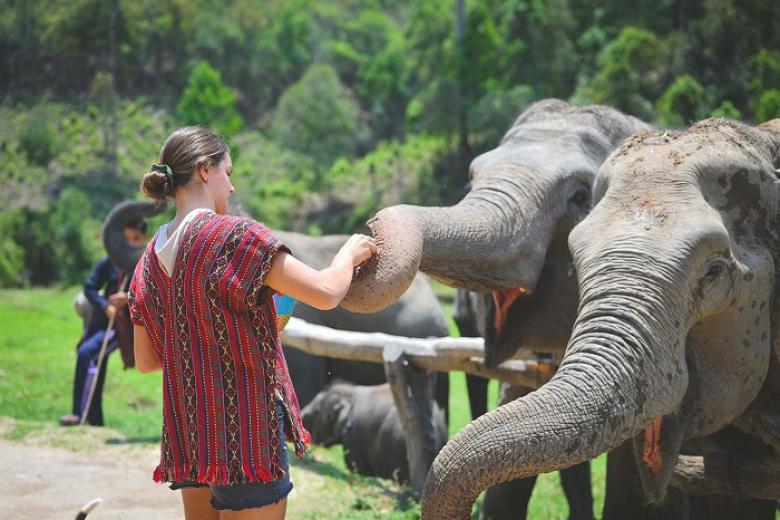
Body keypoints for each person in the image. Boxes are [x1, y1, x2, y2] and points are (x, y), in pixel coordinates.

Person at [128, 126, 376, 520]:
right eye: (228, 171)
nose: (232, 185)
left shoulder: (146, 262)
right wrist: (349, 253)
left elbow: (147, 360)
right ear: (205, 170)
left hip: (190, 434)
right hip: (243, 433)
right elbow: (327, 293)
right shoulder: (234, 236)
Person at [60, 219, 149, 427]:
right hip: (103, 320)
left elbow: (153, 293)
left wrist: (128, 297)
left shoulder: (145, 263)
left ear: (143, 239)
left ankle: (77, 414)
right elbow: (90, 287)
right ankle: (94, 420)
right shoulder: (109, 261)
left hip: (123, 327)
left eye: (135, 239)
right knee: (94, 362)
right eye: (127, 238)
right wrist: (105, 305)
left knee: (86, 354)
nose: (130, 243)